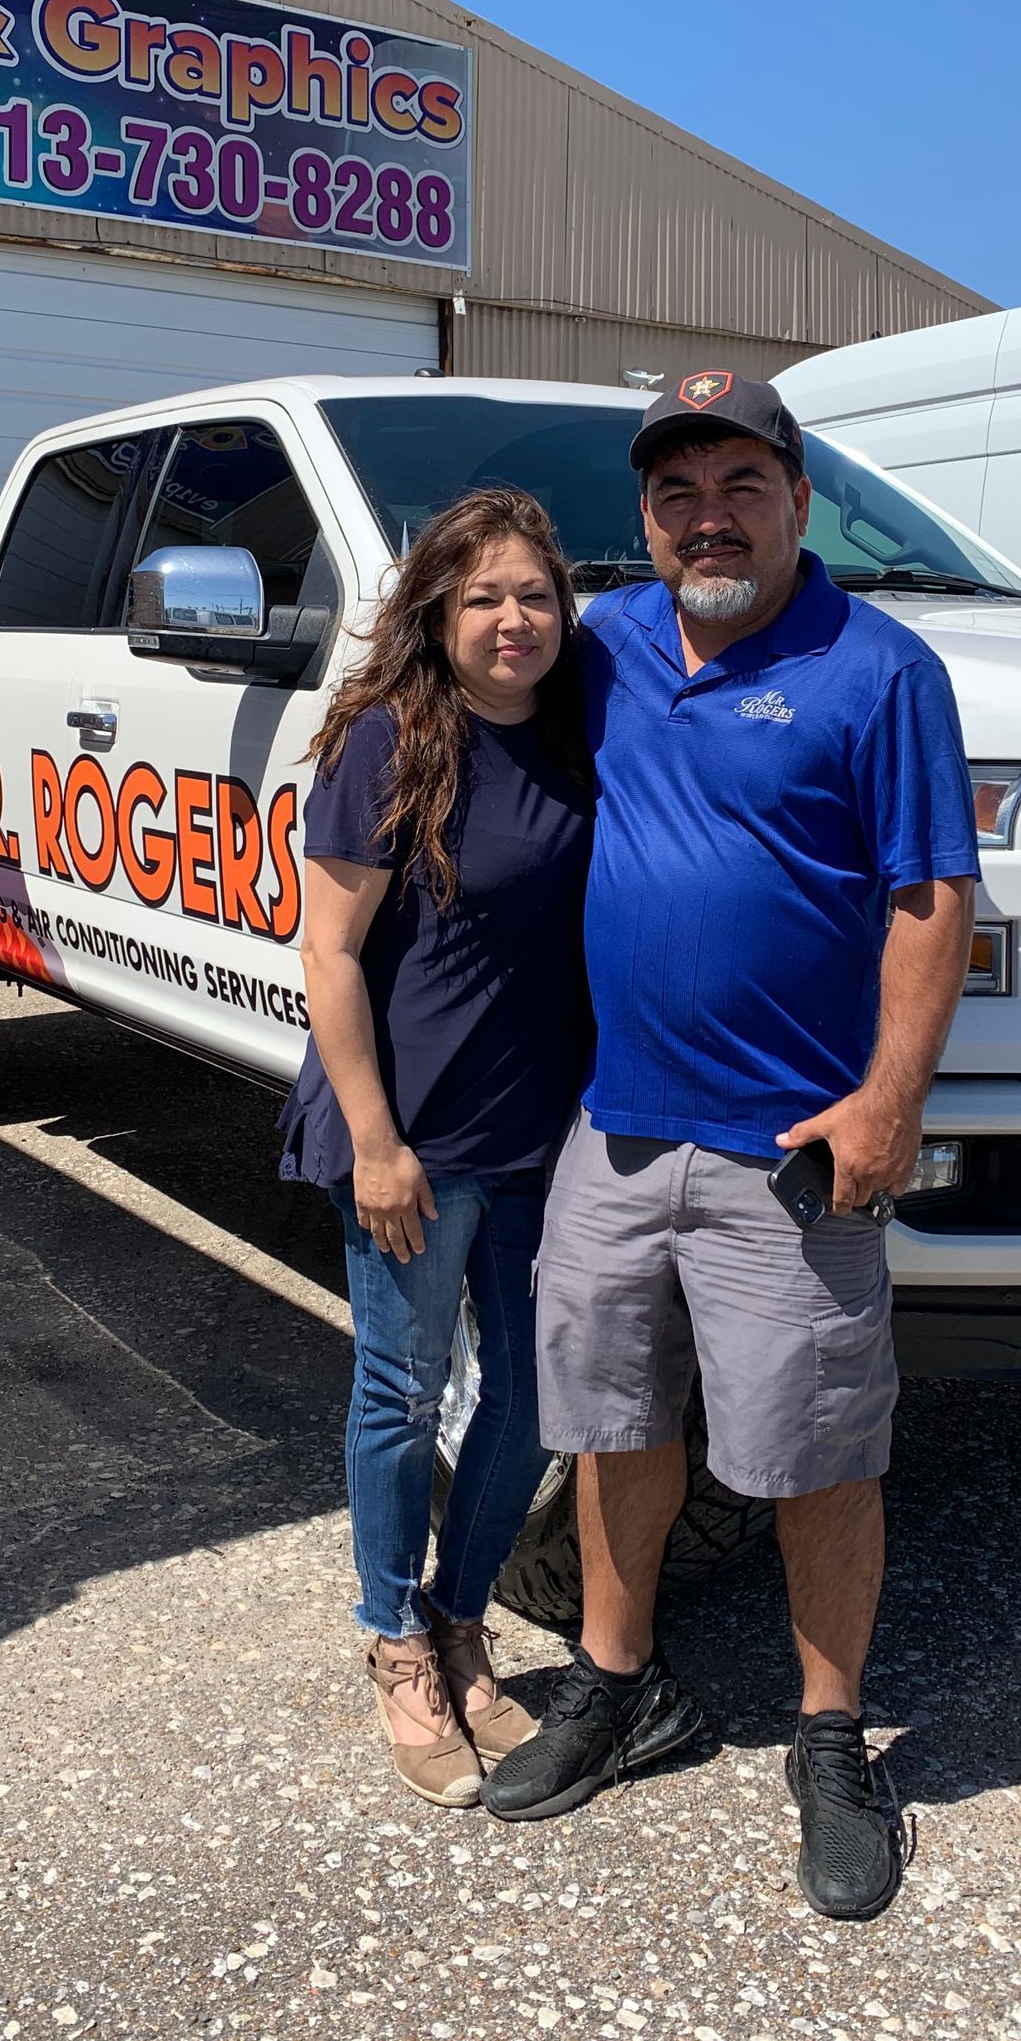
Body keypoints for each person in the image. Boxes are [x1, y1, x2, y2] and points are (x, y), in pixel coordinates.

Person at [480, 373, 980, 1920]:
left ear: (798, 499)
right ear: (644, 519)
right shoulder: (610, 644)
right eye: (677, 492)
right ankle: (617, 1683)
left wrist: (891, 1100)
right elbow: (454, 670)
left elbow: (932, 896)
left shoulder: (881, 672)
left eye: (741, 485)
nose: (709, 517)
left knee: (817, 1452)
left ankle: (832, 1739)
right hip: (617, 1129)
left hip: (793, 1148)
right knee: (615, 1422)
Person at [279, 487, 595, 1807]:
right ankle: (394, 1643)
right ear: (436, 612)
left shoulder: (579, 730)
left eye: (536, 594)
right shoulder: (392, 740)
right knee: (403, 1393)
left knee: (527, 1399)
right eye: (484, 597)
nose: (514, 619)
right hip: (412, 1137)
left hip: (539, 1136)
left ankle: (462, 1624)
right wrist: (375, 1141)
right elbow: (330, 953)